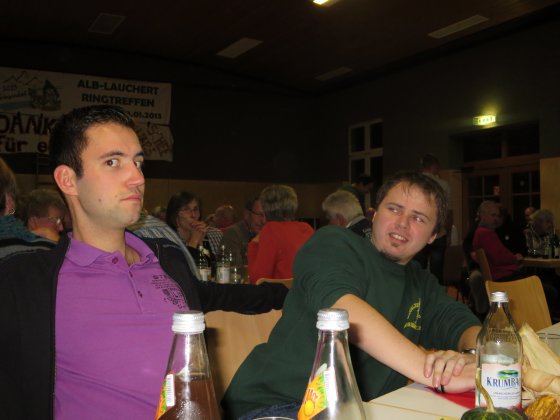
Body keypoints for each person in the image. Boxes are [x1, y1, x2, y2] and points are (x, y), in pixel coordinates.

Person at [0, 105, 287, 420]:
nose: (137, 178)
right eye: (113, 162)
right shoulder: (28, 283)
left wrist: (290, 292)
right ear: (68, 180)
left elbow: (218, 295)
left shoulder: (166, 261)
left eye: (137, 162)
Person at [223, 171, 481, 419]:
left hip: (364, 411)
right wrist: (433, 372)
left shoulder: (421, 283)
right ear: (374, 214)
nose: (403, 223)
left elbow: (463, 325)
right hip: (278, 403)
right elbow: (342, 313)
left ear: (433, 235)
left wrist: (470, 358)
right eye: (394, 209)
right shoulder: (334, 243)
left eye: (419, 218)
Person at [248, 184, 314, 283]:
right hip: (310, 290)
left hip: (284, 292)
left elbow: (257, 279)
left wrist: (253, 245)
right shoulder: (307, 228)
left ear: (266, 208)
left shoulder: (271, 229)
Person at [0, 157, 56, 261]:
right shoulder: (44, 253)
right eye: (56, 220)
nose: (61, 227)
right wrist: (60, 248)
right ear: (9, 203)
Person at [413, 153, 451, 285]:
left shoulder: (414, 183)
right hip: (438, 232)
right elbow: (448, 212)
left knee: (418, 269)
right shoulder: (443, 185)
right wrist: (448, 232)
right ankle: (436, 294)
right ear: (434, 166)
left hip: (418, 231)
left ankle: (417, 294)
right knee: (437, 271)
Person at [165, 191, 223, 259]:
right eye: (186, 209)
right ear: (175, 215)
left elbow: (209, 263)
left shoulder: (213, 233)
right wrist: (193, 241)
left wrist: (201, 243)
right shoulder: (167, 240)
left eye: (195, 209)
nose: (193, 215)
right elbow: (182, 265)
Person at [220, 197, 266, 267]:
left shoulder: (268, 234)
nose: (263, 221)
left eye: (267, 215)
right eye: (259, 214)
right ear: (246, 214)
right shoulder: (233, 234)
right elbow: (236, 268)